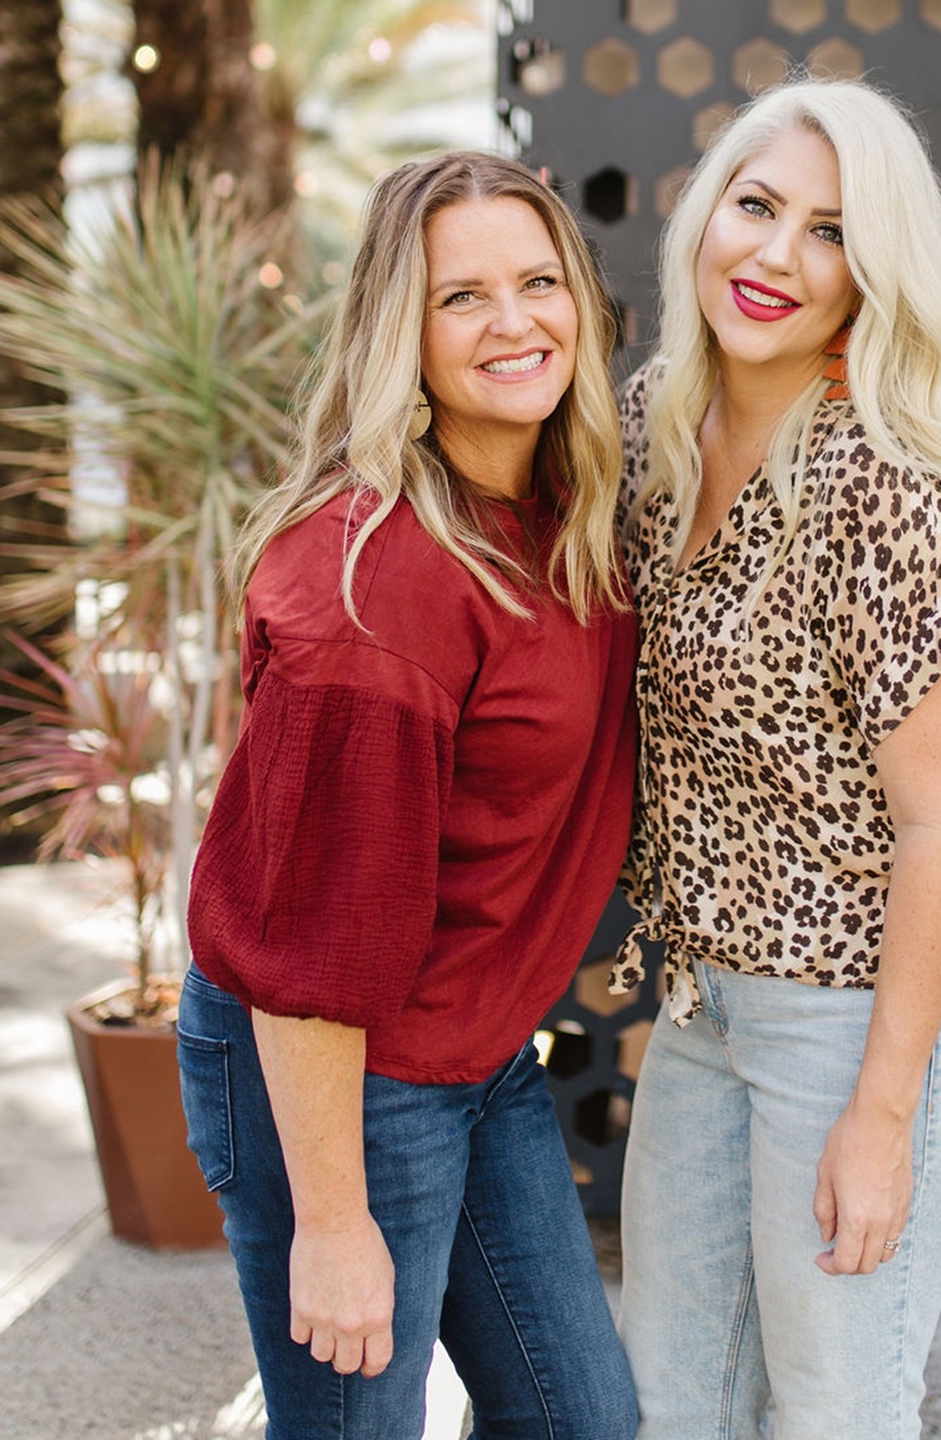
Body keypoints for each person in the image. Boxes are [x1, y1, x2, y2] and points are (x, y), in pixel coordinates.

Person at [177, 152, 639, 1440]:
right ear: (402, 333)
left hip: (470, 1048)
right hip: (330, 1068)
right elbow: (309, 952)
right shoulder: (375, 597)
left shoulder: (567, 505)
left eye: (539, 282)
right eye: (461, 297)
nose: (514, 322)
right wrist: (332, 1223)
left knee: (580, 1421)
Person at [609, 77, 941, 1439]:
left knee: (838, 1407)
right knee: (666, 1403)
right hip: (711, 1001)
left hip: (875, 997)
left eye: (831, 231)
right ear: (704, 216)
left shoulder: (879, 481)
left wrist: (881, 1117)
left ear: (870, 274)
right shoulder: (652, 426)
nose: (777, 255)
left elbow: (938, 822)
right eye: (757, 206)